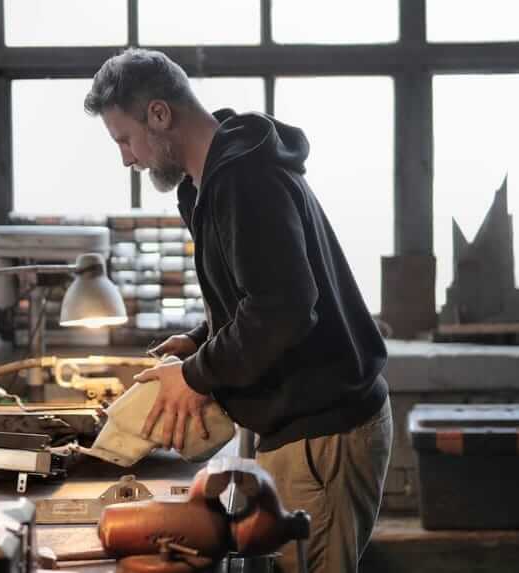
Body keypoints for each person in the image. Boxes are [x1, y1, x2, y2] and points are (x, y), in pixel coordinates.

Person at [84, 48, 392, 573]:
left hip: (321, 430)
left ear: (159, 114)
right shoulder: (211, 182)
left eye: (125, 140)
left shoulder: (245, 181)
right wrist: (202, 339)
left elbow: (285, 309)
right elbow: (258, 292)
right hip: (299, 424)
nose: (127, 160)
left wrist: (196, 375)